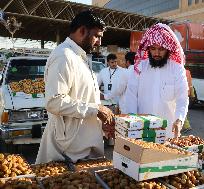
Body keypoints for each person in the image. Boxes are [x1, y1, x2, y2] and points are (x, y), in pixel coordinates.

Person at [36, 10, 114, 164]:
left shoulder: (80, 56)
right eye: (97, 36)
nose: (99, 42)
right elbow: (54, 102)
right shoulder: (64, 56)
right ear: (82, 30)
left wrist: (100, 120)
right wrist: (96, 110)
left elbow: (84, 96)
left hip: (85, 145)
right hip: (69, 150)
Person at [125, 23, 189, 138]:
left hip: (167, 131)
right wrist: (133, 122)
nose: (156, 53)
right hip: (141, 130)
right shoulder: (140, 67)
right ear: (148, 48)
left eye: (161, 49)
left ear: (168, 49)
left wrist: (179, 120)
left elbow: (182, 98)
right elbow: (131, 96)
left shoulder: (176, 69)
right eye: (153, 49)